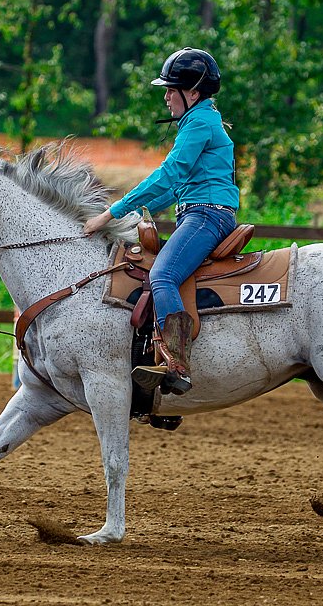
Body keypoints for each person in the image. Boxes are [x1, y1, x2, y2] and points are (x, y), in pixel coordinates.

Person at [83, 47, 239, 395]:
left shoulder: (199, 123)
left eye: (171, 89)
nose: (166, 96)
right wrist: (139, 212)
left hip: (206, 216)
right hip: (202, 211)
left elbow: (169, 174)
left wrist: (111, 213)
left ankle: (176, 364)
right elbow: (175, 189)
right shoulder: (202, 120)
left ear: (193, 92)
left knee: (163, 275)